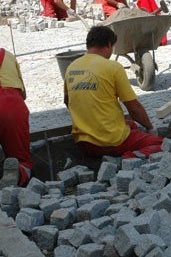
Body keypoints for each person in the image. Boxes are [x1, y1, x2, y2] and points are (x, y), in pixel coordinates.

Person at [64, 26, 163, 159]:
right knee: (159, 144)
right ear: (109, 44)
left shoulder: (71, 67)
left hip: (83, 143)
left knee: (131, 125)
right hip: (110, 142)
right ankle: (125, 159)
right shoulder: (113, 68)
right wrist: (150, 128)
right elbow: (134, 109)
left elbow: (67, 102)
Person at [0, 48, 31, 188]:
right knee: (21, 160)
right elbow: (23, 94)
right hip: (12, 105)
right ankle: (18, 173)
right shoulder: (8, 55)